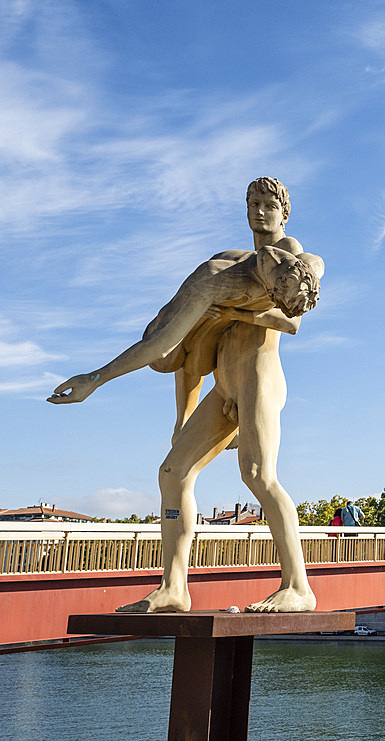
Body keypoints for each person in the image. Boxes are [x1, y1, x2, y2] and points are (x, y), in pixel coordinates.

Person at [49, 177, 322, 614]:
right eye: (253, 203)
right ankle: (174, 588)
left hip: (259, 377)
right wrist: (98, 381)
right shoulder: (225, 270)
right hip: (225, 383)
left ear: (284, 211)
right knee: (173, 472)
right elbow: (181, 353)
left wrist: (232, 309)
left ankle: (298, 587)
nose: (260, 211)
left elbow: (292, 319)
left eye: (269, 204)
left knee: (257, 473)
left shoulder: (289, 258)